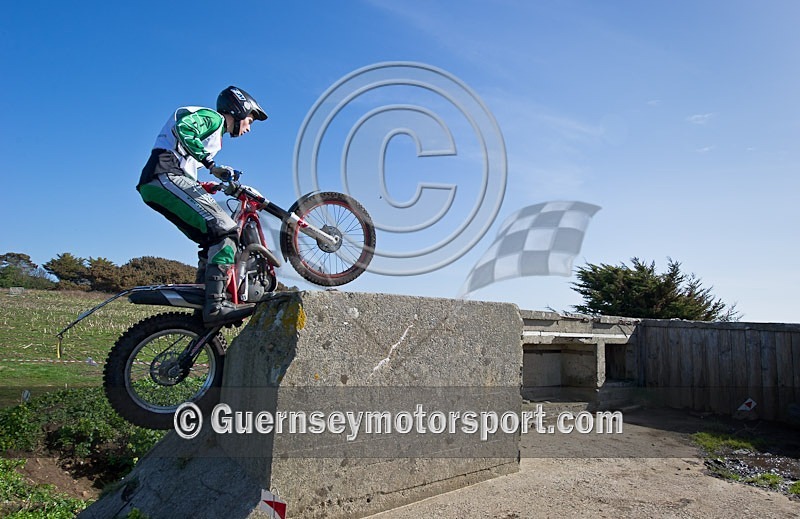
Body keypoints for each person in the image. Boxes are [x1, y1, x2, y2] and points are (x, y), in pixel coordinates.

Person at [136, 86, 268, 326]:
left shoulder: (213, 137)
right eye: (249, 121)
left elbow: (186, 167)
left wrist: (211, 185)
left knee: (211, 239)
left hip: (165, 179)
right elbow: (184, 129)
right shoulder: (213, 118)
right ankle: (215, 306)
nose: (248, 128)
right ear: (238, 110)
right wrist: (211, 164)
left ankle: (203, 304)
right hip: (164, 174)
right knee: (226, 229)